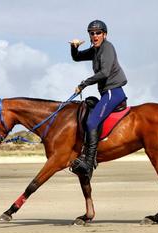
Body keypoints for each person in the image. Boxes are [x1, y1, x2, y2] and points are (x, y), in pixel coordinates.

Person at [69, 20, 128, 179]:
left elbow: (105, 73)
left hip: (113, 92)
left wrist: (84, 84)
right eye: (92, 33)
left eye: (98, 33)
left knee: (91, 122)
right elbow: (77, 57)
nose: (95, 35)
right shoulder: (95, 50)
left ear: (105, 34)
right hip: (106, 93)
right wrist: (74, 47)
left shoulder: (107, 48)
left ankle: (88, 163)